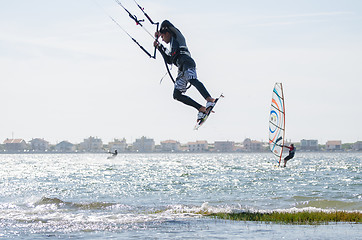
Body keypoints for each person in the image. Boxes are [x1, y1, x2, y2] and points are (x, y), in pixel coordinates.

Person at [153, 20, 215, 121]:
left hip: (187, 62)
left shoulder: (177, 36)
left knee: (192, 79)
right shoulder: (172, 47)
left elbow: (166, 22)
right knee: (176, 95)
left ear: (167, 33)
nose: (162, 40)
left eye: (163, 37)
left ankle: (210, 99)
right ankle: (201, 109)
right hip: (181, 68)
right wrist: (159, 47)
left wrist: (159, 33)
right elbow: (169, 60)